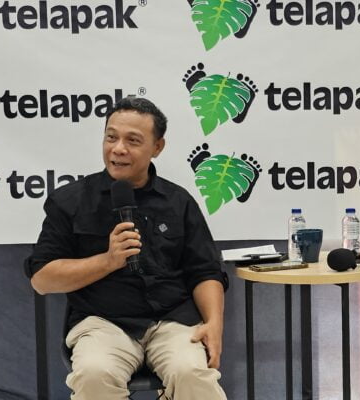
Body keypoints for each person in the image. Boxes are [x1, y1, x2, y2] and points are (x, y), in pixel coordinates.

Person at [25, 97, 228, 399]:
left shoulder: (178, 201)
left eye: (133, 141)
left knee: (191, 372)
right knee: (94, 374)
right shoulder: (70, 201)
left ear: (157, 147)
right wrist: (108, 261)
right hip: (103, 322)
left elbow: (206, 271)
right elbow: (42, 279)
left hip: (173, 320)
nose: (118, 149)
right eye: (111, 137)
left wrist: (214, 324)